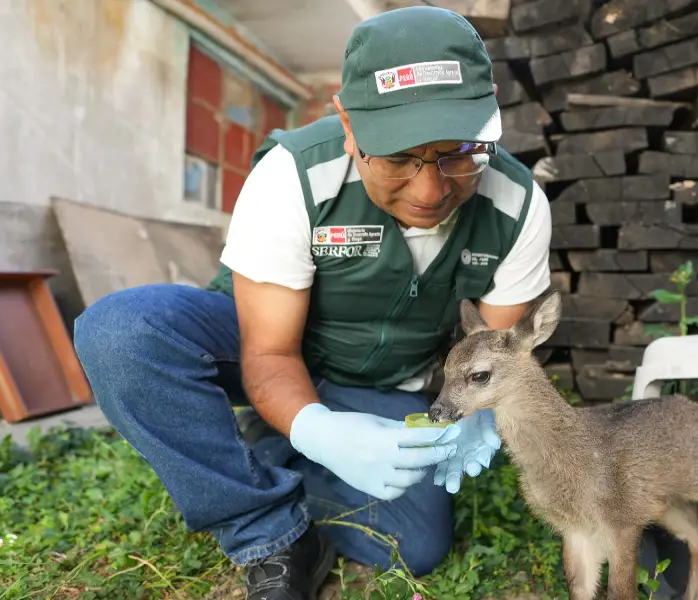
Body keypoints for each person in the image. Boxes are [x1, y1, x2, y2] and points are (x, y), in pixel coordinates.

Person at [72, 5, 552, 600]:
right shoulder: (292, 177)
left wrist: (475, 421)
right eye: (399, 156)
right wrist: (322, 431)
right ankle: (269, 532)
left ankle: (262, 454)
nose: (430, 191)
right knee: (122, 334)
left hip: (382, 379)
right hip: (264, 343)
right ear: (348, 125)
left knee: (416, 545)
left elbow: (497, 360)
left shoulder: (517, 206)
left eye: (458, 152)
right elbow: (270, 353)